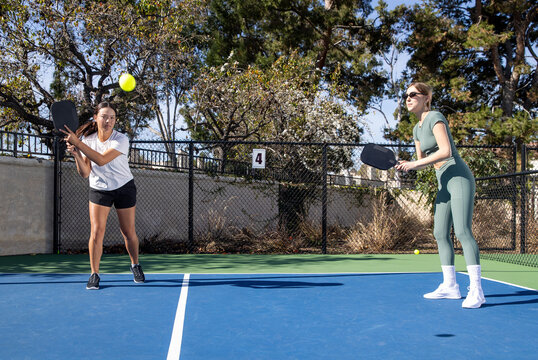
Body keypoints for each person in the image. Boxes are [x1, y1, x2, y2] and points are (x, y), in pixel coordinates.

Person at [395, 82, 485, 309]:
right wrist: (408, 165)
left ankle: (477, 290)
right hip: (443, 183)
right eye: (406, 95)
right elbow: (424, 164)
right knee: (439, 232)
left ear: (426, 98)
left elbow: (445, 151)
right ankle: (450, 286)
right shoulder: (416, 129)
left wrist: (415, 163)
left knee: (463, 231)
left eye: (413, 94)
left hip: (458, 177)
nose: (408, 98)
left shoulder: (435, 116)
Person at [61, 102, 145, 290]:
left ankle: (135, 265)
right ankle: (94, 274)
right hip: (99, 188)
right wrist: (76, 153)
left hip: (124, 187)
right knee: (97, 232)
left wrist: (78, 143)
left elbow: (101, 159)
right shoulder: (88, 139)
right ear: (96, 118)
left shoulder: (121, 139)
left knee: (128, 232)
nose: (108, 121)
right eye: (104, 116)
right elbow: (85, 173)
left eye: (112, 117)